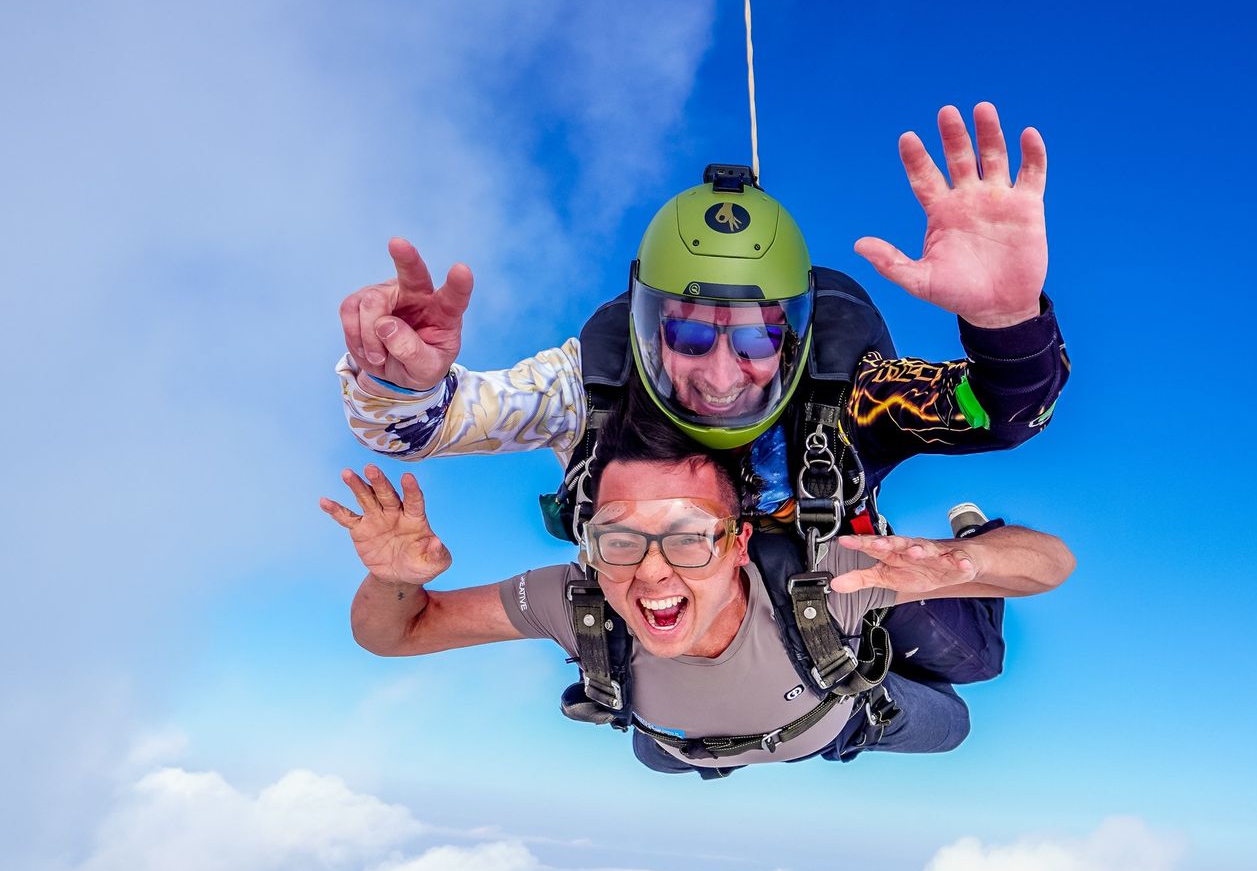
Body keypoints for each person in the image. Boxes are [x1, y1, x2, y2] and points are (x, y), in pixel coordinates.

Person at [332, 103, 1067, 693]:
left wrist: (1006, 325)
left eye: (756, 343)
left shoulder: (852, 395)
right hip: (682, 594)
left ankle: (975, 535)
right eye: (687, 337)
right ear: (647, 328)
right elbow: (432, 425)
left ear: (799, 338)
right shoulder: (589, 386)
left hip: (834, 568)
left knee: (969, 661)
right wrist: (405, 382)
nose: (721, 376)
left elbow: (995, 411)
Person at [319, 415, 1074, 778]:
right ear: (589, 548)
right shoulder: (574, 597)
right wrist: (393, 581)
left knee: (970, 678)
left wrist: (955, 562)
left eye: (686, 539)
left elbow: (1051, 564)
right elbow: (397, 633)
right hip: (687, 745)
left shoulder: (825, 580)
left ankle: (978, 527)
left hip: (843, 718)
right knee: (664, 755)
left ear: (738, 543)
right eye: (619, 540)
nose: (651, 574)